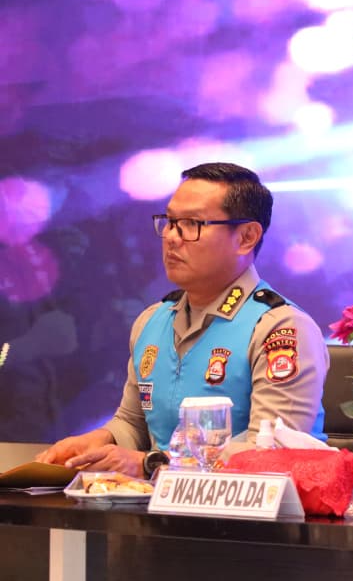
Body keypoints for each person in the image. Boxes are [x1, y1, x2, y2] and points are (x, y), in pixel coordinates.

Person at [37, 163, 328, 478]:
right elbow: (133, 423)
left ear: (246, 237)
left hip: (249, 507)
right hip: (152, 503)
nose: (171, 237)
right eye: (170, 222)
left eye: (191, 224)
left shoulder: (280, 328)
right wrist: (99, 440)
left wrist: (150, 464)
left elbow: (270, 453)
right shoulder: (152, 321)